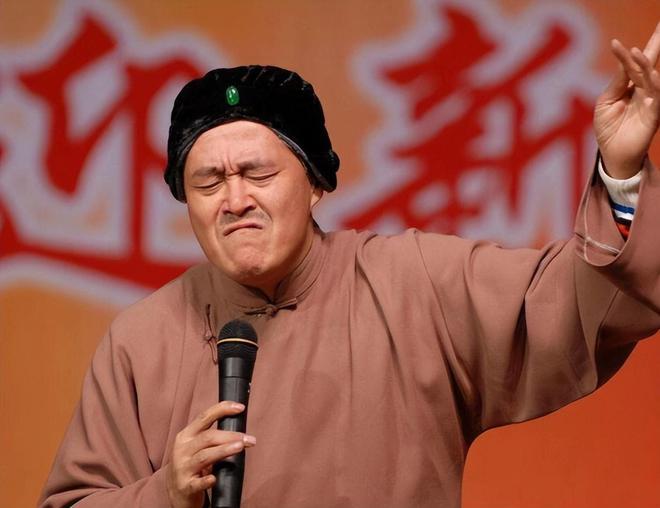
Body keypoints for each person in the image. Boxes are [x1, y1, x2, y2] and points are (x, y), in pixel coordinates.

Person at [39, 24, 660, 508]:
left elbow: (579, 303)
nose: (235, 200)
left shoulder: (414, 284)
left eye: (258, 173)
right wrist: (166, 493)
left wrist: (622, 174)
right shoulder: (140, 340)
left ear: (314, 184)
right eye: (208, 182)